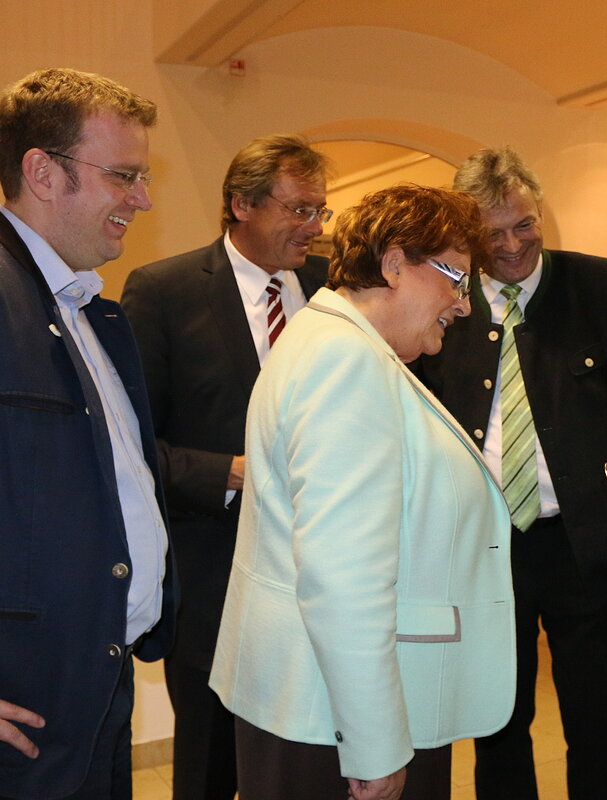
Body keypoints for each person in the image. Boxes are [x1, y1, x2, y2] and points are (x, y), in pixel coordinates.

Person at [209, 184, 516, 800]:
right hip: (339, 720)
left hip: (328, 706)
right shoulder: (346, 362)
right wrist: (375, 744)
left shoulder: (342, 345)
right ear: (395, 262)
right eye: (455, 277)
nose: (461, 304)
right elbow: (342, 575)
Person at [412, 146, 607, 800]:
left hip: (590, 551)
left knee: (599, 728)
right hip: (483, 552)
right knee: (498, 724)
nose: (514, 245)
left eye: (525, 224)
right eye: (493, 232)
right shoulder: (442, 304)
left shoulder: (600, 290)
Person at [121, 135, 330, 800]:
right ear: (241, 203)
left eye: (320, 211)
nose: (314, 227)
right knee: (213, 767)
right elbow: (131, 448)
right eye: (298, 210)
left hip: (325, 577)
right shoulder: (164, 292)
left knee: (311, 761)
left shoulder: (333, 292)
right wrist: (233, 473)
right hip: (216, 578)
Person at [0, 68, 175, 799]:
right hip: (24, 705)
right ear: (42, 171)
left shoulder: (95, 314)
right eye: (123, 176)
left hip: (98, 679)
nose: (142, 198)